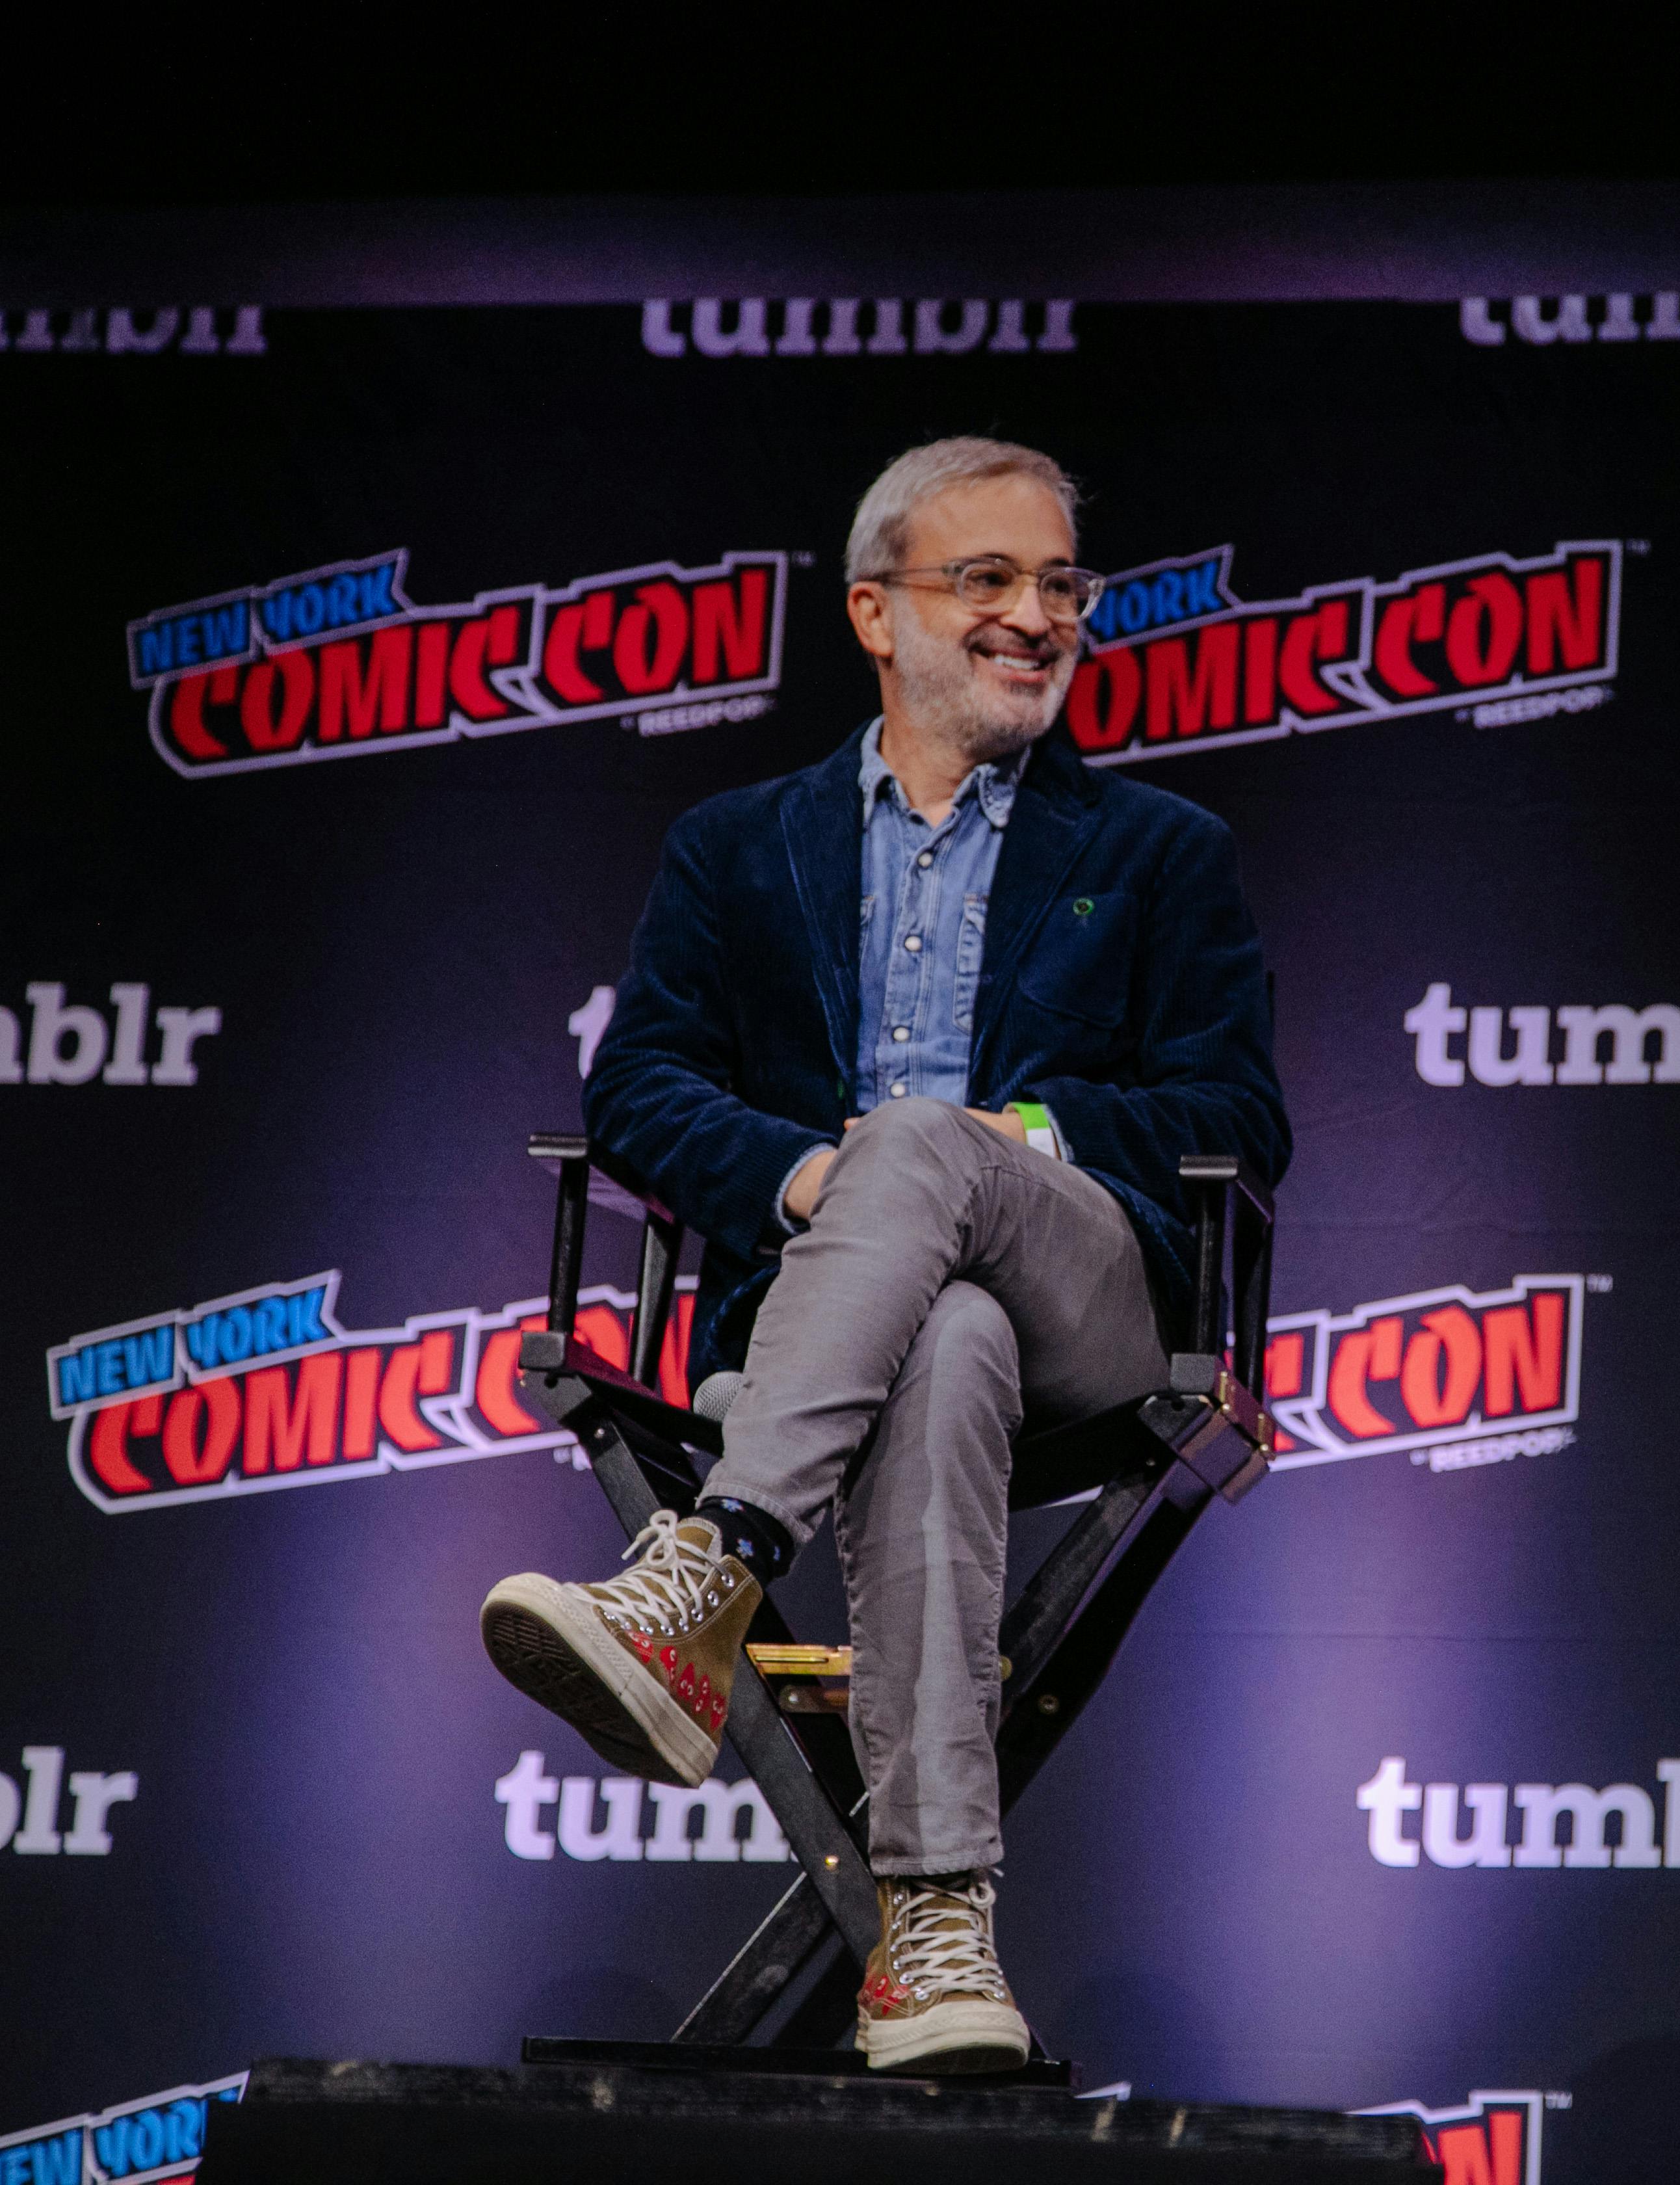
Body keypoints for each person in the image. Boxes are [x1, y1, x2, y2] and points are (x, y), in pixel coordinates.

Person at [480, 437, 1289, 2073]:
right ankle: (936, 1930)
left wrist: (1008, 1146)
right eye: (984, 578)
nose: (1034, 616)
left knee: (937, 1151)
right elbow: (636, 1090)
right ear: (874, 611)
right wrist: (798, 1176)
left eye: (1061, 585)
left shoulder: (1156, 851)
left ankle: (701, 1578)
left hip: (1097, 1309)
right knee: (946, 1339)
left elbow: (1233, 1116)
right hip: (831, 1327)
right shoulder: (735, 844)